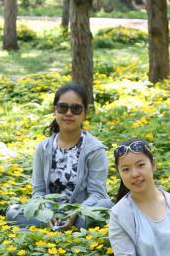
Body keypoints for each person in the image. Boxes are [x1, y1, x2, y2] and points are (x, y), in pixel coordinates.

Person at [6, 83, 113, 229]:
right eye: (63, 107)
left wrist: (74, 213)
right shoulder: (43, 148)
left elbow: (97, 194)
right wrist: (47, 214)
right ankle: (55, 226)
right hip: (49, 213)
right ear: (55, 110)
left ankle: (64, 227)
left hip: (81, 213)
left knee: (106, 205)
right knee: (13, 212)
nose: (68, 113)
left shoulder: (94, 149)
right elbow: (38, 192)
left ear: (84, 114)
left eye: (76, 109)